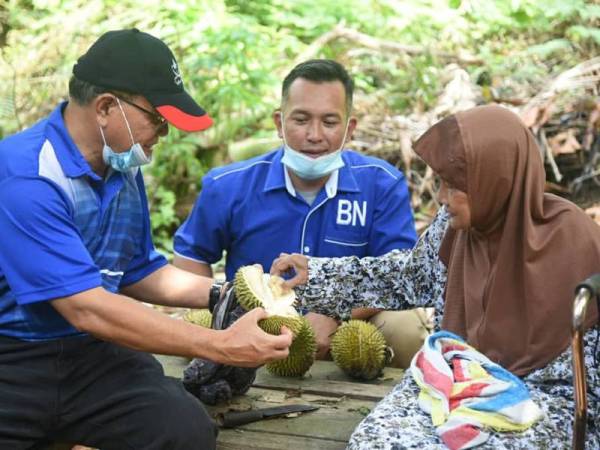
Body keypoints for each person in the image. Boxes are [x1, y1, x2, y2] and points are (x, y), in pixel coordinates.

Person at [0, 29, 293, 450]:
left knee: (184, 432)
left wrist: (229, 294)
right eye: (157, 119)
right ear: (105, 107)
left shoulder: (123, 169)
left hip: (91, 356)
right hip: (13, 359)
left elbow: (137, 269)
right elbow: (87, 308)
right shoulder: (27, 176)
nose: (165, 133)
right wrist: (220, 345)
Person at [271, 104, 600, 448]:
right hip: (454, 377)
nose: (441, 199)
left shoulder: (576, 243)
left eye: (452, 186)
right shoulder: (455, 229)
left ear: (494, 181)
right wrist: (316, 274)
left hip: (541, 401)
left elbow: (582, 388)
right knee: (377, 442)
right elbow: (403, 277)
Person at [173, 59, 429, 367]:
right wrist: (222, 309)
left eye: (330, 122)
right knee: (192, 330)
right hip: (252, 322)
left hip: (347, 325)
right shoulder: (227, 185)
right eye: (301, 120)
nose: (315, 135)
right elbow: (191, 258)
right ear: (279, 124)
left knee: (405, 329)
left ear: (350, 129)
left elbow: (397, 273)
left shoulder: (382, 184)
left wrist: (336, 314)